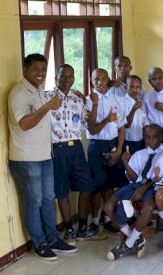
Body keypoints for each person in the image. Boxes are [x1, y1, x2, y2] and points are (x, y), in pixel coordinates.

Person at [8, 54, 77, 260]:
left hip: (44, 154)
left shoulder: (38, 90)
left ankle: (53, 238)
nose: (40, 73)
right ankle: (40, 243)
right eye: (36, 69)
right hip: (26, 157)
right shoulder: (19, 93)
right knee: (34, 201)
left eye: (43, 69)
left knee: (48, 198)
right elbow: (24, 124)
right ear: (25, 70)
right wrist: (46, 107)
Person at [45, 65, 97, 242]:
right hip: (57, 148)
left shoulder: (77, 99)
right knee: (62, 191)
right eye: (63, 76)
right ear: (56, 78)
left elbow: (88, 122)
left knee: (87, 186)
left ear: (74, 78)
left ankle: (82, 226)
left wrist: (95, 104)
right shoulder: (46, 97)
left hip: (76, 147)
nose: (67, 79)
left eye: (70, 76)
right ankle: (69, 229)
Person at [104, 125, 163, 260]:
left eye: (155, 136)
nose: (152, 140)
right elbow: (133, 178)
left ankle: (128, 243)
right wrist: (125, 163)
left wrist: (144, 187)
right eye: (148, 137)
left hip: (152, 187)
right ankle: (136, 239)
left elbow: (162, 179)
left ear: (162, 136)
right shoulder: (139, 154)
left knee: (148, 207)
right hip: (134, 187)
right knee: (108, 206)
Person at [86, 68, 126, 234]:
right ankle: (94, 220)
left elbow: (122, 126)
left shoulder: (117, 99)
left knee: (109, 184)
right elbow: (92, 129)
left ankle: (108, 218)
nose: (100, 82)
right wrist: (106, 118)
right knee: (97, 186)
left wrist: (119, 150)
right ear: (91, 81)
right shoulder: (88, 101)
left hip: (113, 144)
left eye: (103, 78)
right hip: (96, 144)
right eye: (97, 79)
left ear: (108, 79)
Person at [120, 75, 148, 154]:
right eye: (131, 86)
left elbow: (145, 124)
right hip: (127, 142)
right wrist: (134, 109)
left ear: (141, 89)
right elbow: (126, 124)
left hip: (140, 141)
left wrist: (146, 143)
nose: (134, 90)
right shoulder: (121, 102)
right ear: (126, 87)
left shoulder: (141, 103)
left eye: (137, 87)